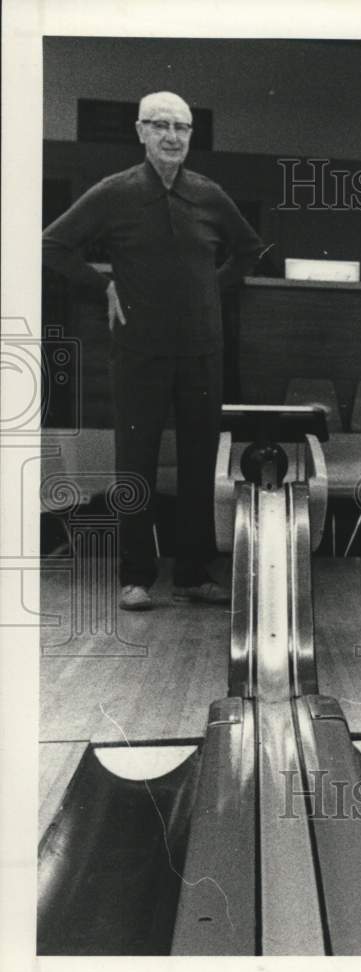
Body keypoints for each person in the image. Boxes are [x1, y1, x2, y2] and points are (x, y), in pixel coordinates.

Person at [43, 91, 267, 610]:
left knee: (197, 461)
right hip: (139, 349)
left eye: (182, 128)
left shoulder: (209, 195)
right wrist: (103, 286)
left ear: (191, 137)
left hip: (201, 351)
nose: (172, 136)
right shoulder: (113, 192)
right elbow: (53, 245)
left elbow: (249, 248)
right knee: (135, 464)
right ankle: (136, 576)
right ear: (140, 131)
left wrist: (214, 288)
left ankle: (191, 572)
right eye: (160, 125)